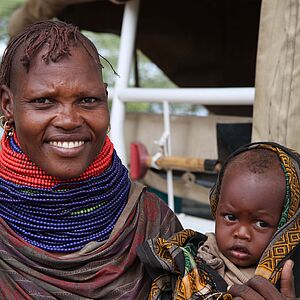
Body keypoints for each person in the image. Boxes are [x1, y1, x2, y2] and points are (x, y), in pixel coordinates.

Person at [0, 20, 183, 299]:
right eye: (43, 101)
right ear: (8, 105)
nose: (69, 120)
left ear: (105, 99)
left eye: (87, 100)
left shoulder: (153, 222)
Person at [138, 142, 299, 299]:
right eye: (231, 217)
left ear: (285, 230)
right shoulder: (193, 258)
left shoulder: (286, 279)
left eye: (261, 223)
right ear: (216, 207)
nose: (241, 233)